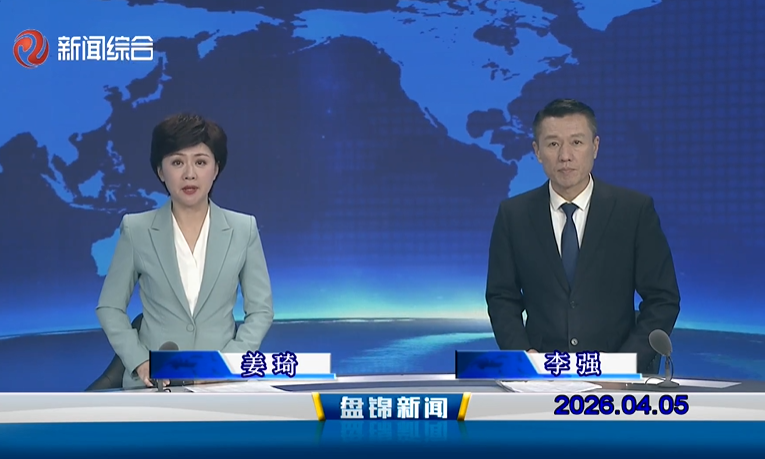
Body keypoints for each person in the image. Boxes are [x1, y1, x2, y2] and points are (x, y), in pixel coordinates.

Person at [485, 99, 680, 373]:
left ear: (595, 147)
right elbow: (501, 296)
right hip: (541, 375)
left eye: (576, 142)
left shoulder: (634, 211)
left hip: (618, 378)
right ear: (537, 151)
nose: (565, 155)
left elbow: (663, 299)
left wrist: (624, 365)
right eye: (553, 144)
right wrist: (523, 357)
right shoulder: (513, 215)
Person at [96, 113, 274, 389]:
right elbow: (110, 307)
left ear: (216, 169)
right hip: (154, 384)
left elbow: (261, 311)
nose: (189, 174)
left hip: (221, 384)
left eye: (200, 162)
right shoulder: (136, 229)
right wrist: (140, 360)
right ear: (160, 171)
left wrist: (227, 363)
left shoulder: (243, 229)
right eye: (177, 162)